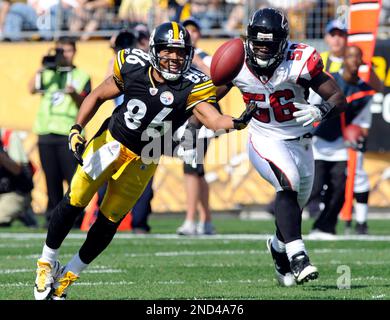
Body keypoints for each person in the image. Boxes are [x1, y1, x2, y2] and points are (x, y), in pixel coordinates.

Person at [33, 21, 254, 300]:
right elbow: (99, 95)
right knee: (75, 199)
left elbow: (212, 119)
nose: (174, 58)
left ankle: (68, 277)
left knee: (109, 220)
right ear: (153, 50)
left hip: (147, 156)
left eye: (180, 52)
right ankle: (45, 263)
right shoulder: (132, 65)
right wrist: (77, 128)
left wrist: (235, 122)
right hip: (111, 142)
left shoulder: (191, 85)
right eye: (167, 51)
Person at [216, 8, 347, 286]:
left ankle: (278, 248)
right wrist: (193, 127)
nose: (262, 51)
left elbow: (338, 97)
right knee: (288, 182)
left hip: (302, 143)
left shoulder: (299, 60)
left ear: (283, 43)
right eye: (258, 43)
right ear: (249, 39)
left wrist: (321, 110)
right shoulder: (236, 60)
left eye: (269, 44)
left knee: (294, 206)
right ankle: (299, 258)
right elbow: (206, 98)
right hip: (264, 138)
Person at [309, 45, 375, 238]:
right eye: (350, 56)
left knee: (339, 188)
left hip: (341, 146)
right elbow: (311, 106)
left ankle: (325, 226)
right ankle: (285, 222)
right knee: (314, 187)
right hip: (318, 141)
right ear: (343, 59)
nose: (353, 61)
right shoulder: (329, 80)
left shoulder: (365, 92)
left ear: (362, 61)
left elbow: (363, 123)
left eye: (357, 57)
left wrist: (357, 132)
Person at [28, 37, 92, 227]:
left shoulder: (81, 75)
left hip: (68, 133)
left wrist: (73, 93)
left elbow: (86, 104)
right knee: (51, 180)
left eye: (67, 51)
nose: (64, 55)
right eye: (60, 51)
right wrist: (42, 67)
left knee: (73, 179)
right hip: (46, 132)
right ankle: (52, 219)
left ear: (74, 52)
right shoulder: (48, 73)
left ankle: (75, 218)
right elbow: (31, 88)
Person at [176, 17, 216, 235]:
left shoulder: (205, 58)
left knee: (191, 168)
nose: (190, 34)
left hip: (200, 121)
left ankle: (191, 220)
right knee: (197, 171)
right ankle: (207, 220)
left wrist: (198, 62)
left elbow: (215, 82)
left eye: (194, 30)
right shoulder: (175, 58)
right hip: (182, 120)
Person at [0, 129, 36, 227]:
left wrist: (2, 157)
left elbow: (17, 169)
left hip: (15, 192)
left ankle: (24, 212)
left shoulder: (10, 136)